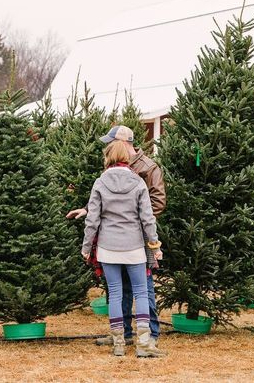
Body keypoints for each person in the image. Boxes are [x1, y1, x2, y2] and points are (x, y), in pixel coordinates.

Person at [67, 125, 166, 354]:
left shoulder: (105, 180)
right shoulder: (136, 181)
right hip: (134, 245)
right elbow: (147, 217)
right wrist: (155, 244)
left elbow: (95, 218)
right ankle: (141, 344)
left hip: (109, 247)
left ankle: (121, 344)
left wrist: (85, 247)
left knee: (117, 291)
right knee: (141, 292)